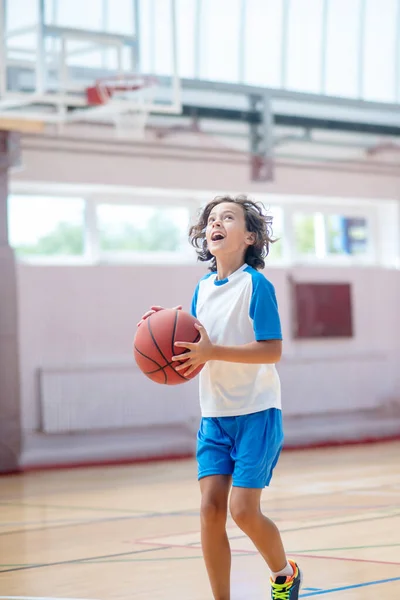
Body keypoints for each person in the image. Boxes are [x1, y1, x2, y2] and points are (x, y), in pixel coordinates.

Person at [137, 194, 302, 600]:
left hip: (257, 413)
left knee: (243, 511)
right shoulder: (201, 290)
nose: (216, 222)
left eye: (228, 217)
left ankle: (285, 574)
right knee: (210, 511)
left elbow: (272, 350)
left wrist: (211, 352)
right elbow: (194, 348)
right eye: (212, 218)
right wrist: (163, 331)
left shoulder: (256, 286)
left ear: (249, 235)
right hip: (214, 416)